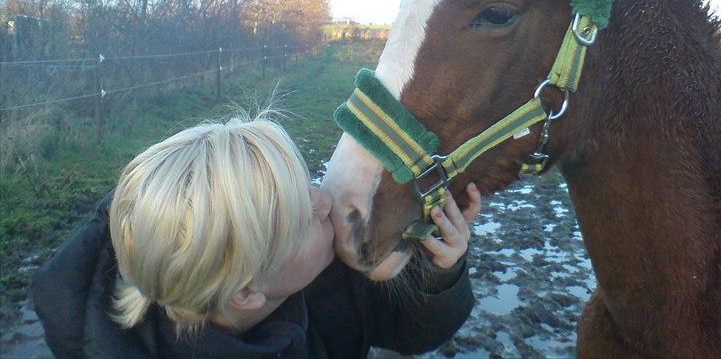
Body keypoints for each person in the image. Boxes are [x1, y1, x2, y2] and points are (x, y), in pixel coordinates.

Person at [32, 114, 481, 359]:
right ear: (246, 292)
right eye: (301, 218)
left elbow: (408, 331)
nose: (324, 200)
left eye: (306, 180)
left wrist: (437, 268)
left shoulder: (305, 269)